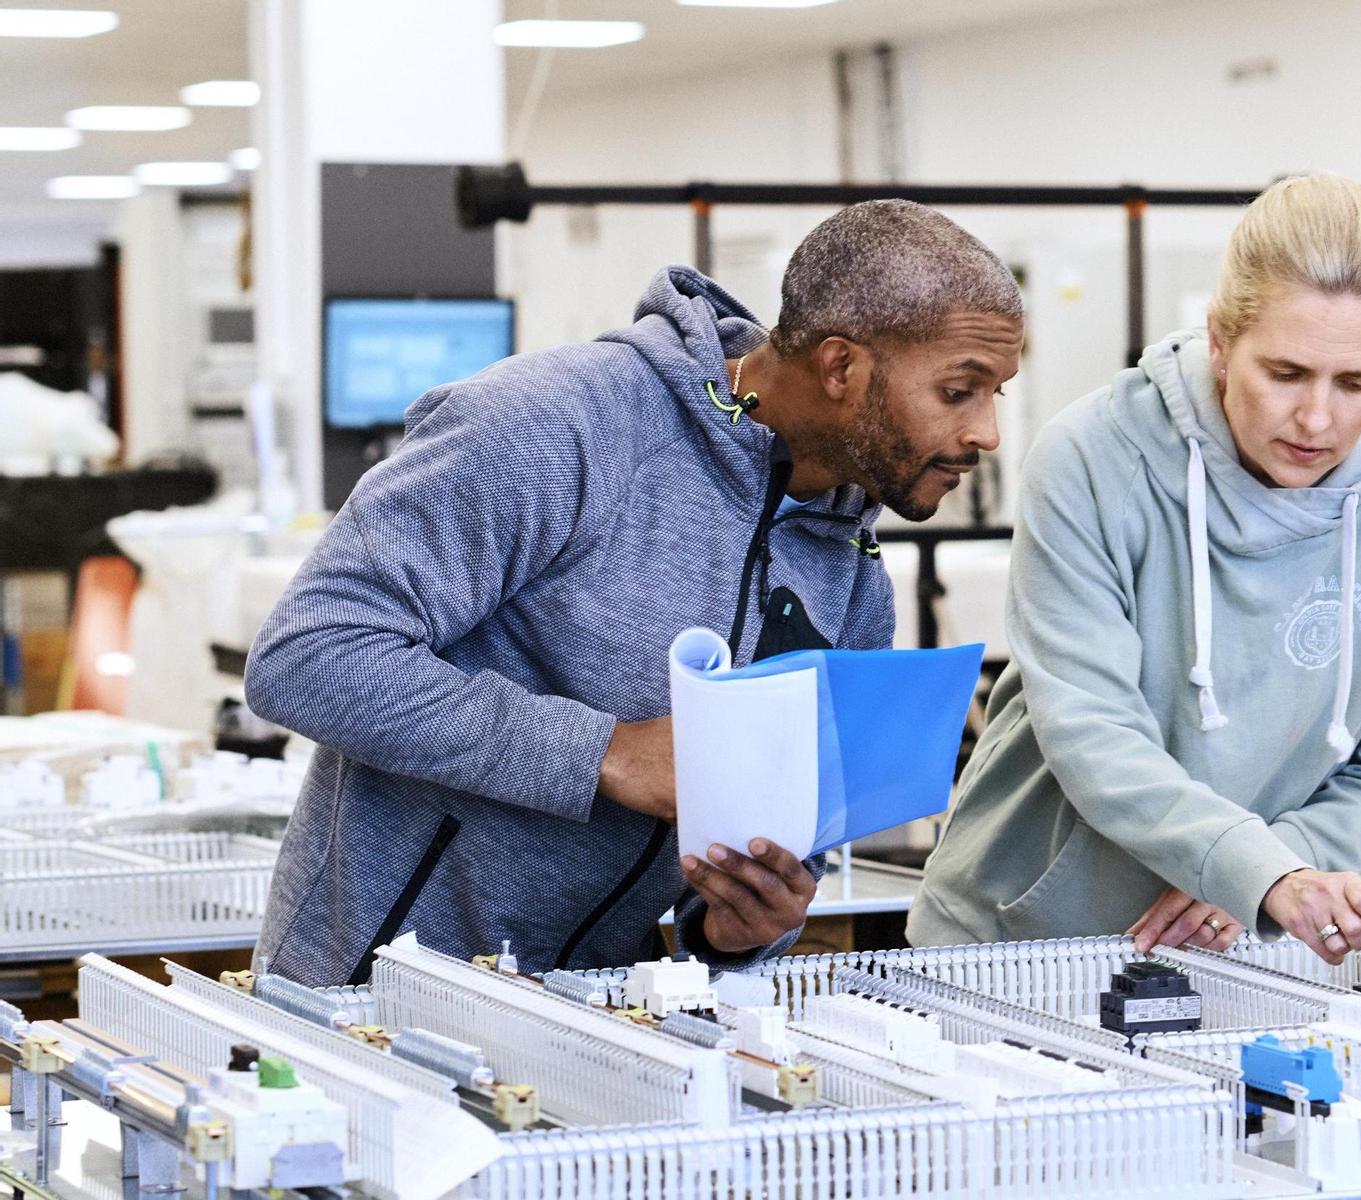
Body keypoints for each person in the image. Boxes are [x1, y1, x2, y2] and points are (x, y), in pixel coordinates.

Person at [246, 200, 1023, 987]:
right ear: (840, 367)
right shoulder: (553, 427)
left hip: (597, 1018)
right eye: (961, 391)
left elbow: (760, 863)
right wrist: (605, 754)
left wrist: (736, 930)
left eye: (997, 393)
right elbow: (309, 655)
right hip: (364, 996)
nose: (987, 433)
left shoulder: (849, 570)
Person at [909, 173, 1361, 965]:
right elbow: (1093, 730)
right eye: (1284, 374)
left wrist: (1273, 868)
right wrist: (1255, 869)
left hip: (1243, 944)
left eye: (1356, 384)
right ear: (1218, 341)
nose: (1317, 418)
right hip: (1021, 938)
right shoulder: (1093, 460)